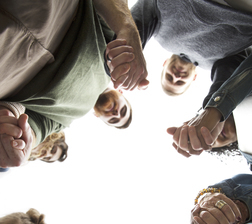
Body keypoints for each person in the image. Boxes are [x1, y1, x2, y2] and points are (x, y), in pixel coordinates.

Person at [0, 0, 148, 168]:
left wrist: (21, 141)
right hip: (56, 13)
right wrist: (127, 28)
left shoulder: (66, 118)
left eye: (114, 120)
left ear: (98, 117)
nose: (116, 113)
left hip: (8, 72)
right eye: (123, 110)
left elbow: (34, 128)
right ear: (121, 93)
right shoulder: (112, 58)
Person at [106, 0, 252, 92]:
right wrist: (214, 106)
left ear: (165, 64)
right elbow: (235, 69)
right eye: (180, 82)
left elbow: (143, 14)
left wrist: (123, 61)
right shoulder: (214, 64)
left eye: (169, 77)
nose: (176, 77)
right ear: (193, 78)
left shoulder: (161, 37)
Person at [167, 51, 252, 164]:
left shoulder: (238, 92)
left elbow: (233, 59)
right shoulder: (248, 152)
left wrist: (214, 111)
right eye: (210, 143)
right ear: (229, 145)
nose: (214, 137)